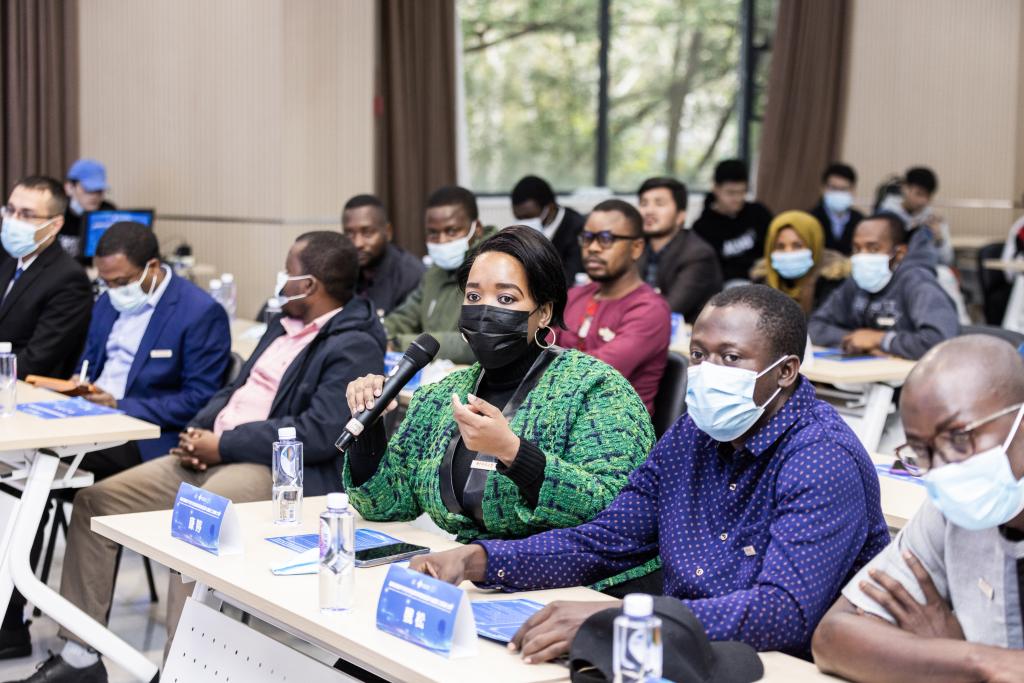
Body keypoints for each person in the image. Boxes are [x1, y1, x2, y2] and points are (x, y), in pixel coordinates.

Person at [408, 285, 889, 661]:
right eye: (699, 355)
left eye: (731, 357)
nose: (708, 371)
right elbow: (605, 542)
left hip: (779, 665)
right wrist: (478, 560)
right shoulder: (694, 435)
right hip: (675, 650)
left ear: (785, 372)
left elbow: (781, 613)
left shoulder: (822, 459)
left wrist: (624, 619)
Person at [13, 232, 386, 683]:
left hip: (279, 470)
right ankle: (79, 657)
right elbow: (233, 391)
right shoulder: (281, 325)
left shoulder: (353, 344)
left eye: (287, 272)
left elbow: (319, 432)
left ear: (309, 285)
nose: (280, 280)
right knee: (97, 503)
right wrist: (200, 431)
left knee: (198, 521)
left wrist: (222, 444)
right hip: (214, 451)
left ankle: (181, 671)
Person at [343, 225, 658, 592]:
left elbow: (617, 514)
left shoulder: (596, 389)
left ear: (544, 312)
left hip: (583, 590)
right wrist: (370, 427)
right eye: (474, 296)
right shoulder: (443, 396)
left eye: (506, 299)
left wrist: (514, 452)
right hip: (476, 584)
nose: (485, 310)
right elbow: (386, 504)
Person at [812, 335, 1024, 682]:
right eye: (922, 451)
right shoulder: (952, 511)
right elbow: (832, 638)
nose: (943, 468)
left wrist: (935, 656)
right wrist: (973, 658)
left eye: (959, 438)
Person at [75, 221, 232, 476]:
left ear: (153, 267)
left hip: (145, 432)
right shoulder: (107, 300)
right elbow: (89, 362)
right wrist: (79, 382)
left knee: (54, 454)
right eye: (105, 282)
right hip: (91, 416)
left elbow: (198, 399)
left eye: (121, 281)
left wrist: (118, 405)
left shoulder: (199, 312)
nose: (113, 291)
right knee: (37, 443)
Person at [556, 199, 670, 413]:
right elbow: (537, 349)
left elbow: (594, 372)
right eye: (587, 238)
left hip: (614, 424)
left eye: (606, 239)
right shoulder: (574, 296)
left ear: (636, 248)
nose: (593, 248)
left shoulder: (650, 310)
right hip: (560, 413)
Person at [809, 213, 959, 360]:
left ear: (899, 253)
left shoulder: (918, 283)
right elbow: (814, 326)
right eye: (857, 249)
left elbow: (940, 341)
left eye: (873, 249)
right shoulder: (857, 281)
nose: (862, 256)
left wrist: (881, 340)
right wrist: (856, 339)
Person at [384, 185, 490, 363]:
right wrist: (377, 334)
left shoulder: (495, 270)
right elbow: (406, 316)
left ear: (477, 228)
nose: (442, 241)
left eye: (452, 231)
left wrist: (399, 343)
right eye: (433, 233)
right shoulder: (434, 273)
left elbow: (477, 341)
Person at [0, 175, 92, 379]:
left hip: (24, 385)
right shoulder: (6, 257)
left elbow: (37, 360)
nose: (13, 220)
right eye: (10, 210)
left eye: (26, 214)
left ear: (55, 225)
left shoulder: (69, 279)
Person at [635, 177, 722, 322]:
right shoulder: (636, 246)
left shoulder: (698, 254)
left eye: (659, 203)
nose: (648, 211)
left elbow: (670, 309)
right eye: (644, 203)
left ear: (680, 216)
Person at [751, 210, 850, 316]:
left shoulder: (834, 282)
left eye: (797, 245)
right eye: (780, 246)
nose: (788, 252)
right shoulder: (761, 282)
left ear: (814, 245)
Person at [342, 193, 425, 317]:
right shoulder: (341, 271)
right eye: (349, 234)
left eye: (367, 233)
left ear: (388, 232)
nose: (357, 243)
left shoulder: (411, 275)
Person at [692, 159, 773, 283]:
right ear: (715, 188)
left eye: (742, 192)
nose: (737, 198)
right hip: (730, 284)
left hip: (766, 275)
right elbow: (709, 270)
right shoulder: (702, 228)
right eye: (730, 193)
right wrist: (747, 273)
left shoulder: (758, 212)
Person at [510, 175, 585, 285]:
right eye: (519, 218)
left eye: (529, 217)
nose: (524, 222)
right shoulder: (519, 235)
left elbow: (569, 277)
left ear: (549, 208)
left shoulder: (577, 228)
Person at [878, 166, 954, 266]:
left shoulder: (933, 220)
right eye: (919, 194)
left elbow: (947, 260)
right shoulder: (885, 216)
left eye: (928, 196)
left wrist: (939, 238)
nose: (923, 201)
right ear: (905, 188)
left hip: (926, 269)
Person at [59, 159, 117, 263]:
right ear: (69, 188)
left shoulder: (108, 212)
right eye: (88, 189)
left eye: (99, 190)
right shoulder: (57, 212)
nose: (95, 196)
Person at [809, 162, 863, 256]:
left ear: (853, 191)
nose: (838, 193)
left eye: (844, 189)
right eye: (833, 188)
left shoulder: (860, 221)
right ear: (822, 189)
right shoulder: (810, 219)